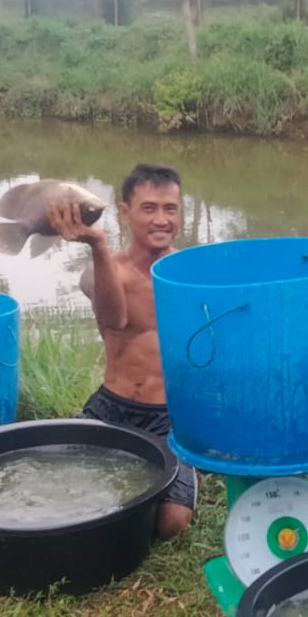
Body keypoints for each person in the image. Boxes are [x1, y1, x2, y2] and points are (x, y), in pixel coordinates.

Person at [48, 163, 199, 539]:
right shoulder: (104, 269)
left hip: (168, 418)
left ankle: (179, 471)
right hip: (110, 407)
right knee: (53, 485)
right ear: (125, 211)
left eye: (171, 208)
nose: (161, 219)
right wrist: (98, 244)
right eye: (149, 208)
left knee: (173, 523)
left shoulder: (192, 276)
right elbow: (113, 320)